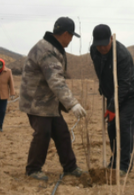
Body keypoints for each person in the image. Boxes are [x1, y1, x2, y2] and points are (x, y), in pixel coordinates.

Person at [19, 17, 87, 181]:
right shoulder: (47, 50)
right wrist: (73, 104)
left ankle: (70, 167)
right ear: (65, 34)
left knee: (62, 132)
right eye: (71, 36)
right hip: (37, 101)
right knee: (43, 133)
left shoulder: (52, 47)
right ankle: (33, 169)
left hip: (49, 102)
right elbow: (56, 80)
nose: (71, 40)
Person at [90, 24, 134, 175]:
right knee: (112, 127)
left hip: (131, 93)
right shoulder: (94, 50)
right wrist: (104, 88)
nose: (101, 48)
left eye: (104, 44)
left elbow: (124, 85)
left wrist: (113, 107)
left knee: (125, 125)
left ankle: (124, 166)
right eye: (98, 45)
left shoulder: (122, 55)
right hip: (113, 94)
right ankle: (115, 160)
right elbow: (100, 70)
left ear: (111, 39)